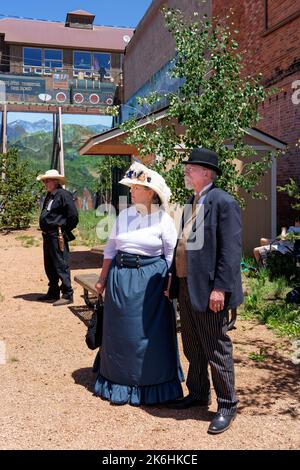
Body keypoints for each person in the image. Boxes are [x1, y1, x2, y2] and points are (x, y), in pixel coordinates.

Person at [167, 148, 243, 435]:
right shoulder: (191, 202)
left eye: (191, 168)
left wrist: (220, 288)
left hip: (211, 289)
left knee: (215, 346)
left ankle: (226, 405)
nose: (186, 172)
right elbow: (183, 245)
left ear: (207, 173)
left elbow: (231, 251)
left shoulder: (224, 202)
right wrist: (173, 281)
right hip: (187, 285)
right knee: (192, 343)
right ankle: (198, 392)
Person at [94, 161, 183, 406]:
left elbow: (170, 255)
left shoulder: (163, 220)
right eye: (131, 187)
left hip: (151, 283)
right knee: (120, 332)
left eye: (136, 187)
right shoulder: (124, 215)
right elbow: (110, 249)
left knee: (144, 334)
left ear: (151, 192)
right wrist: (102, 279)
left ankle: (151, 385)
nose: (131, 191)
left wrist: (169, 284)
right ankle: (117, 383)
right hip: (120, 279)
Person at [36, 169, 78, 306]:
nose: (45, 183)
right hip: (48, 235)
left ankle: (67, 293)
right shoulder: (50, 195)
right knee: (49, 264)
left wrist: (63, 229)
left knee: (61, 263)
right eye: (44, 181)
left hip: (57, 234)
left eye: (47, 180)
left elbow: (73, 216)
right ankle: (53, 291)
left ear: (55, 181)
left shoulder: (63, 195)